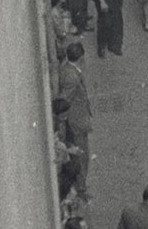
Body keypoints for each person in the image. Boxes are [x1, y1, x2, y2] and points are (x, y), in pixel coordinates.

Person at [58, 42, 92, 198]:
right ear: (80, 58)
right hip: (77, 121)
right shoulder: (72, 77)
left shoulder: (68, 69)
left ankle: (81, 185)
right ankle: (81, 187)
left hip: (76, 119)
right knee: (81, 155)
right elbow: (65, 99)